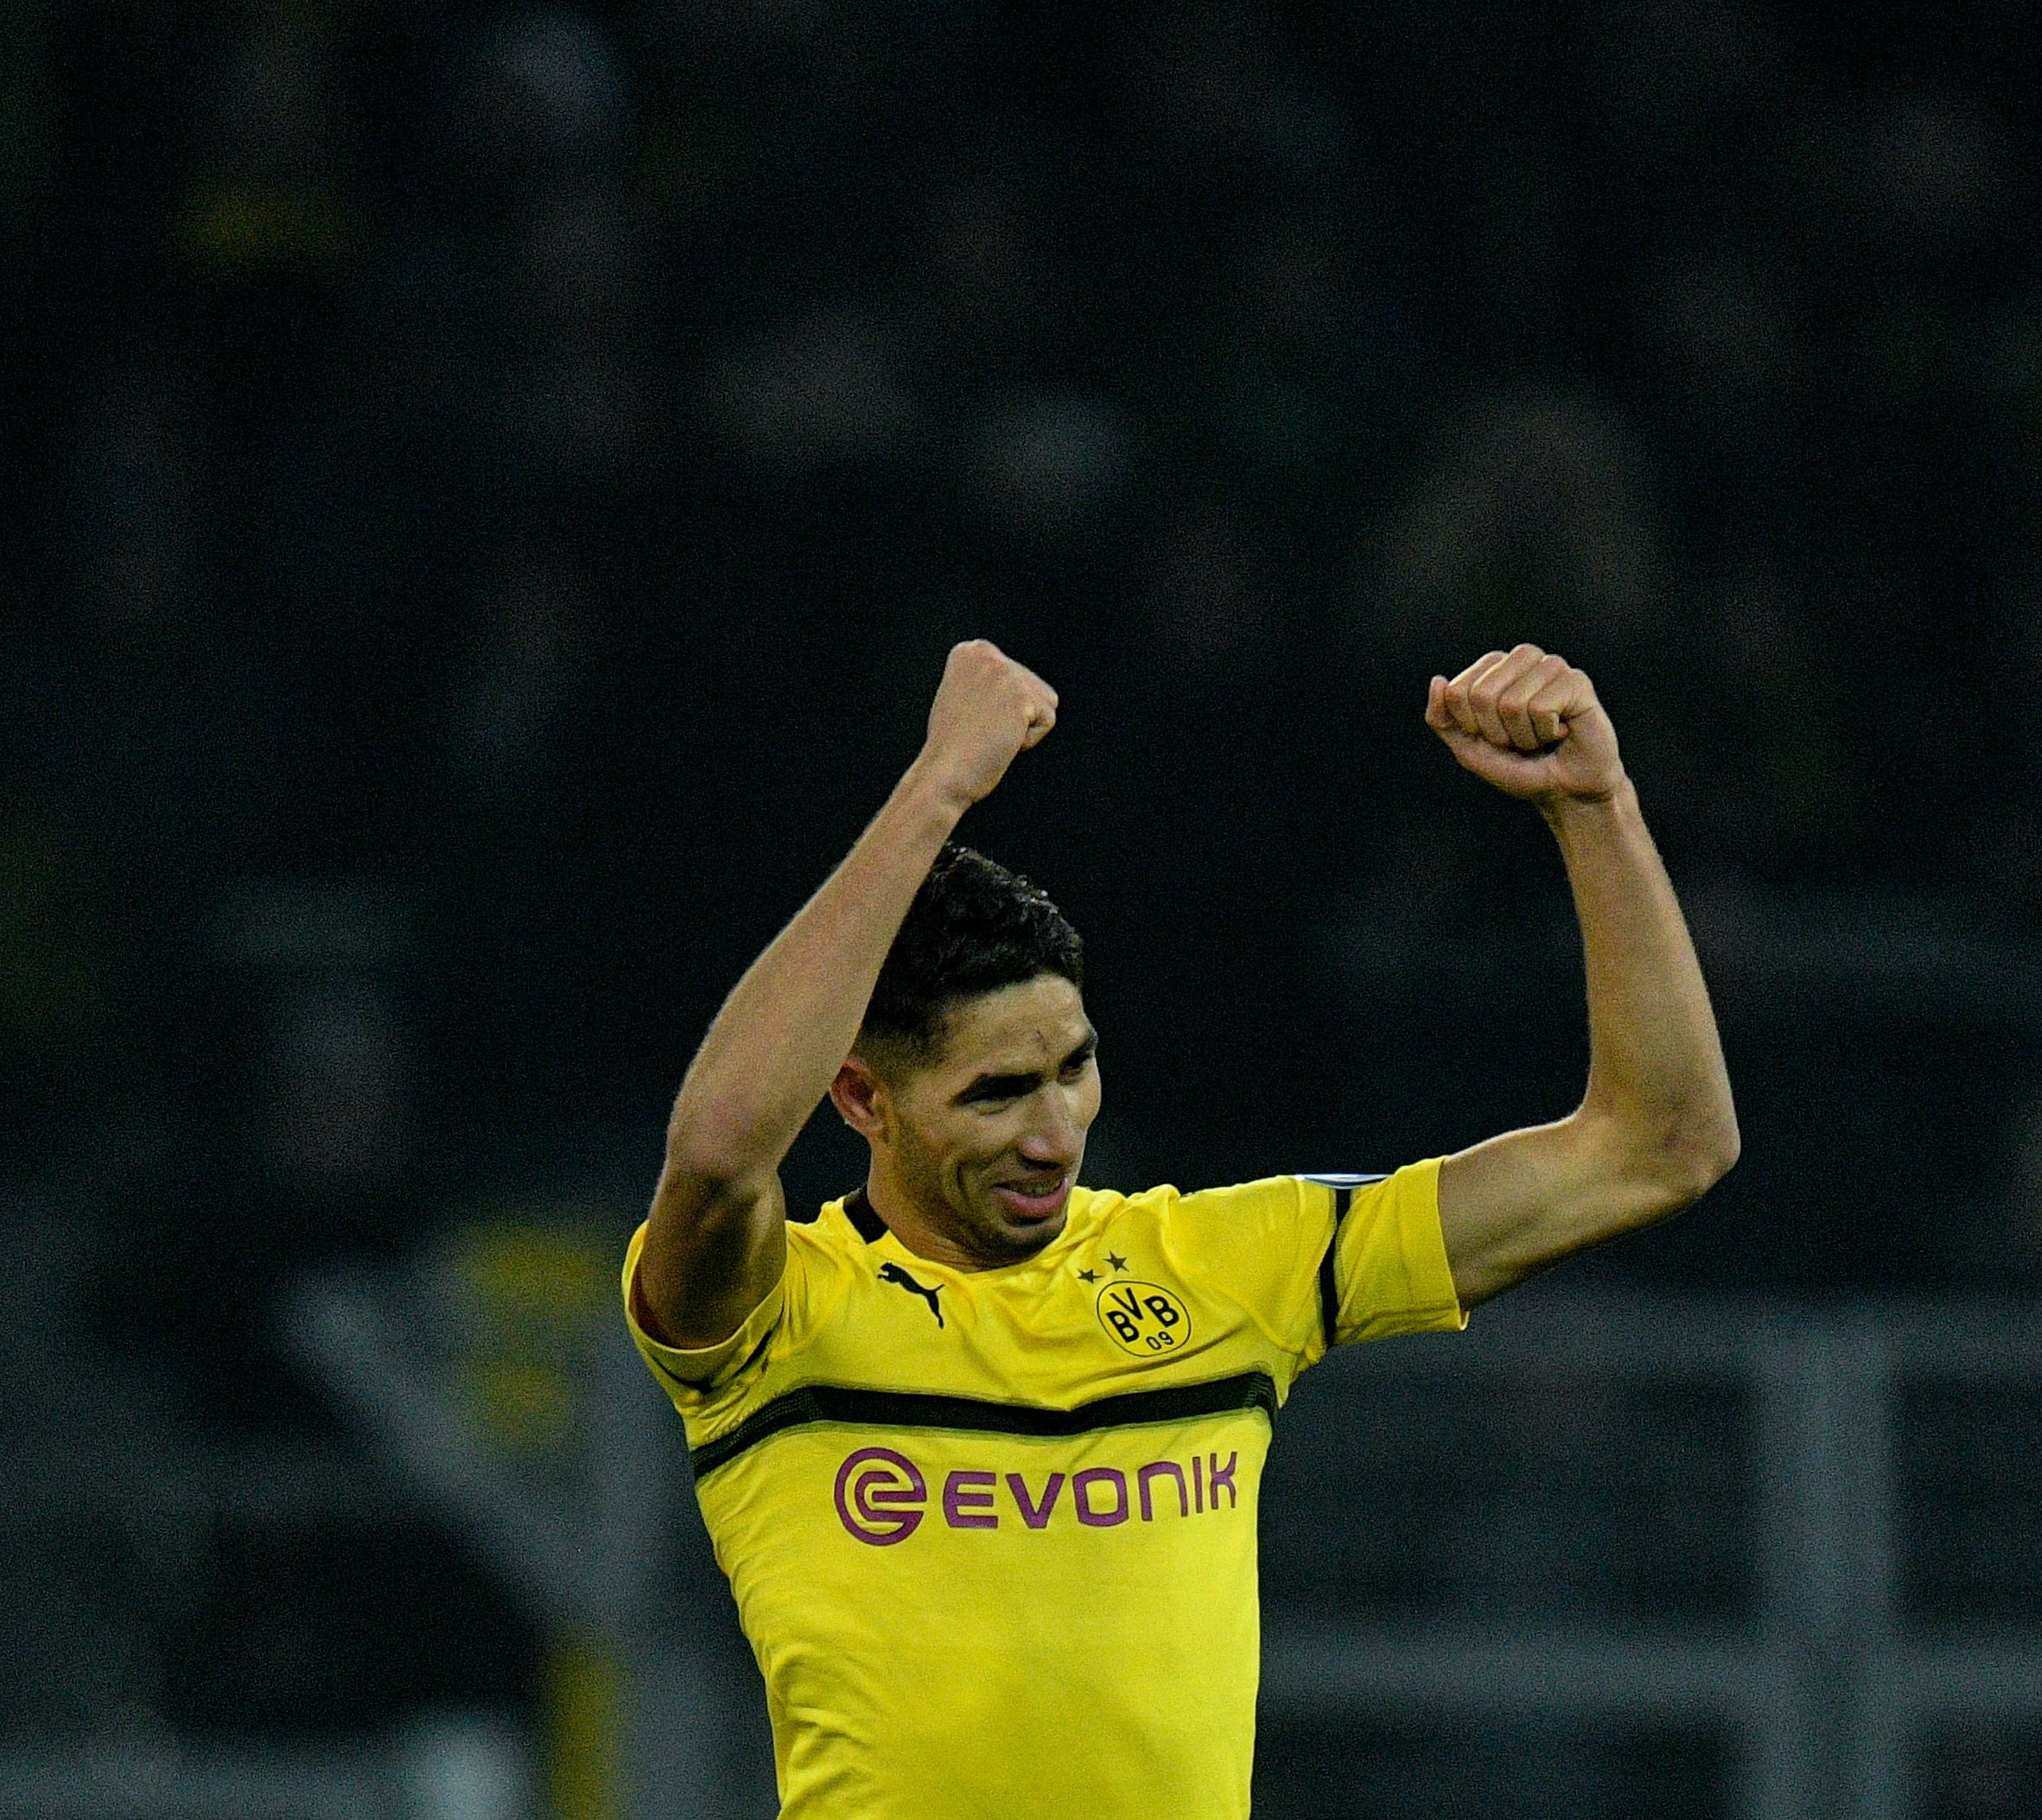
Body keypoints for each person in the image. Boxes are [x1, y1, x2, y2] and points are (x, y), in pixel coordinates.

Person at [624, 639, 1737, 1817]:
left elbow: (1661, 1145)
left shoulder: (1223, 1266)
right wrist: (937, 785)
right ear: (861, 1099)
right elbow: (716, 1144)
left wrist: (1594, 808)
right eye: (997, 1092)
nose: (1055, 1131)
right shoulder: (776, 1316)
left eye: (1074, 1067)